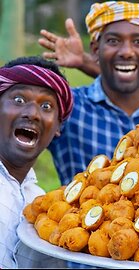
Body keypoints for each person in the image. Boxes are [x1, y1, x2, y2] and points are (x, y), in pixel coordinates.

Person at [47, 1, 139, 185]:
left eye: (138, 42)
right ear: (95, 50)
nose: (126, 52)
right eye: (113, 41)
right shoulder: (68, 107)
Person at [0, 56, 71, 268]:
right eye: (19, 100)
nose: (32, 114)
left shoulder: (43, 206)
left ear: (58, 126)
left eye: (47, 106)